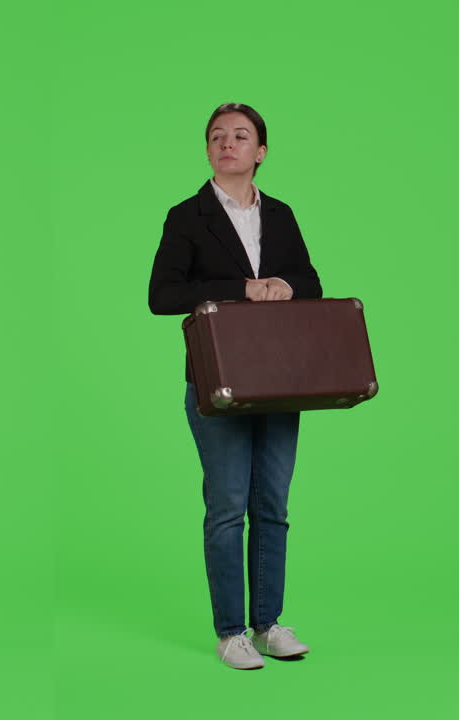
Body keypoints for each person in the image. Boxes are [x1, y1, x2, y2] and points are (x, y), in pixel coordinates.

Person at [149, 103, 322, 669]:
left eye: (241, 136)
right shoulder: (186, 216)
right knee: (226, 507)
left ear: (260, 152)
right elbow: (162, 295)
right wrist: (241, 289)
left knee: (272, 504)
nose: (228, 144)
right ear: (208, 151)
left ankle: (269, 623)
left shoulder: (282, 214)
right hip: (217, 381)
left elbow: (311, 284)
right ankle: (230, 631)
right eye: (218, 136)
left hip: (278, 379)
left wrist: (282, 285)